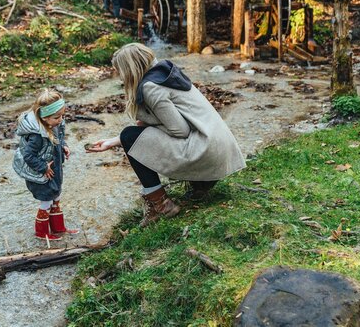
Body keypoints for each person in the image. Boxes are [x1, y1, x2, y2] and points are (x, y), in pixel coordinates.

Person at [87, 43, 246, 227]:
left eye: (120, 71)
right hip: (218, 148)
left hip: (205, 151)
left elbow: (180, 130)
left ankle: (160, 205)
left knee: (130, 135)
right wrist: (114, 141)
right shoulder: (166, 73)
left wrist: (145, 124)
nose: (120, 77)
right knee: (130, 136)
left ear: (130, 69)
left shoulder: (151, 88)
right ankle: (201, 185)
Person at [13, 89, 79, 240]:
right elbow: (28, 155)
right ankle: (42, 233)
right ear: (44, 117)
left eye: (63, 115)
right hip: (40, 174)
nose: (61, 120)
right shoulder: (36, 135)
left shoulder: (54, 125)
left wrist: (64, 146)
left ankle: (58, 228)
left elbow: (58, 139)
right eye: (57, 117)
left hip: (54, 170)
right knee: (47, 200)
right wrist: (43, 167)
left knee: (55, 197)